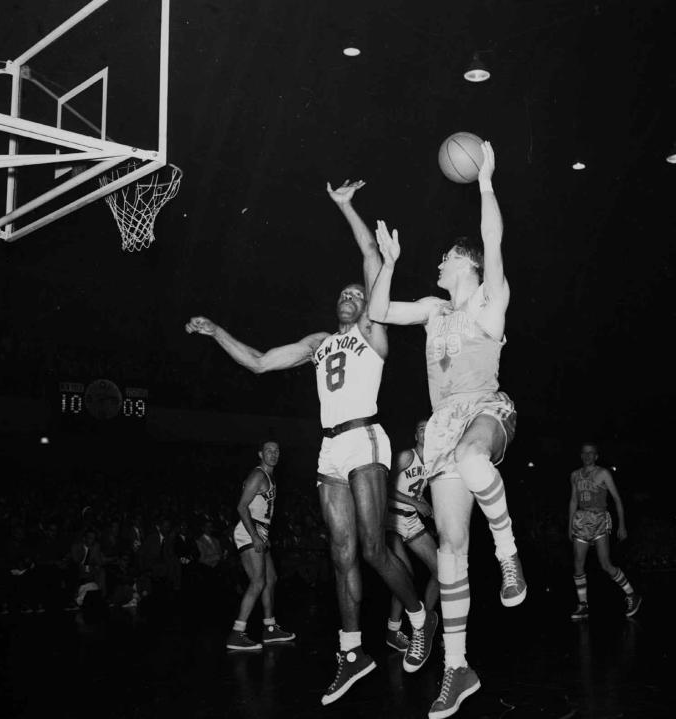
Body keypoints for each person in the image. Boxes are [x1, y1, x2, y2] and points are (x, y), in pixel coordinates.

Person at [186, 179, 436, 705]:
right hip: (330, 450)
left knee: (372, 547)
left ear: (367, 304)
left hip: (366, 438)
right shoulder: (318, 344)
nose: (349, 298)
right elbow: (258, 361)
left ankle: (418, 616)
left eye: (356, 295)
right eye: (343, 295)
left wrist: (346, 207)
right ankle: (352, 654)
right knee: (341, 554)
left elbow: (370, 253)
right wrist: (216, 333)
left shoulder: (373, 329)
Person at [369, 141, 525, 719]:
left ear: (465, 263)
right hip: (441, 430)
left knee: (476, 460)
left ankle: (509, 553)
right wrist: (388, 262)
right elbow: (382, 312)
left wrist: (484, 183)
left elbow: (494, 241)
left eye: (443, 258)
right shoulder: (435, 310)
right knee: (453, 551)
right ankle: (457, 668)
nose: (437, 264)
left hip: (485, 409)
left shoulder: (488, 301)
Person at [225, 440, 296, 650]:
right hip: (248, 532)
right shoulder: (258, 475)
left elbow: (261, 510)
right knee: (257, 582)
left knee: (270, 578)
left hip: (259, 532)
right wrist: (255, 536)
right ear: (260, 454)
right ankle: (236, 633)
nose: (273, 454)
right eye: (268, 450)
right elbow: (241, 507)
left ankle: (270, 628)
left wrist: (263, 535)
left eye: (276, 450)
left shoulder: (269, 476)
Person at [567, 442, 641, 620]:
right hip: (581, 520)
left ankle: (632, 595)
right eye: (584, 453)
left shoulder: (603, 473)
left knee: (606, 564)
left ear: (596, 456)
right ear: (581, 455)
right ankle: (583, 605)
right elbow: (573, 501)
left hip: (599, 519)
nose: (588, 456)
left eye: (591, 453)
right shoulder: (575, 475)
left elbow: (617, 499)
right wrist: (569, 525)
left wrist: (622, 524)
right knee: (578, 565)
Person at [385, 419, 440, 653]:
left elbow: (420, 493)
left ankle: (423, 623)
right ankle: (393, 631)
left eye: (429, 428)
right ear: (416, 436)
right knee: (404, 574)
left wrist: (433, 511)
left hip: (411, 519)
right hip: (391, 519)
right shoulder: (407, 456)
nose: (425, 431)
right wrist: (417, 503)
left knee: (442, 569)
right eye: (420, 428)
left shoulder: (432, 464)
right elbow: (384, 486)